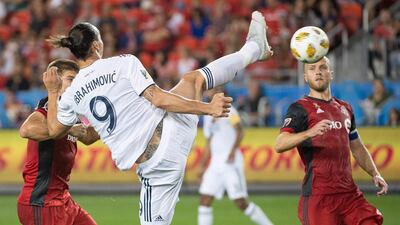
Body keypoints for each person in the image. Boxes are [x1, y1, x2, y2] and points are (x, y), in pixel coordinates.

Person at [42, 11, 273, 225]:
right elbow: (158, 99)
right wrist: (207, 108)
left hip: (157, 166)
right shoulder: (123, 62)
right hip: (170, 131)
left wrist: (53, 92)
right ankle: (252, 49)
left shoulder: (72, 94)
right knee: (194, 80)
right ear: (96, 45)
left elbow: (55, 130)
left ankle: (255, 48)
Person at [275, 57, 388, 225]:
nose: (318, 72)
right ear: (305, 77)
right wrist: (309, 132)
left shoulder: (345, 108)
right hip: (319, 197)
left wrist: (375, 173)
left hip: (349, 195)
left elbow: (357, 146)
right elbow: (279, 143)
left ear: (331, 73)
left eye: (322, 67)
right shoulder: (300, 108)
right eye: (312, 69)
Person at [18, 59, 100, 225]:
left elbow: (89, 136)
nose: (76, 85)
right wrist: (68, 129)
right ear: (55, 81)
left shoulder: (72, 112)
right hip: (41, 203)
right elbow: (25, 130)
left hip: (64, 201)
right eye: (71, 79)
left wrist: (111, 119)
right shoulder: (46, 110)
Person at [198, 87, 274, 225]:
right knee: (204, 199)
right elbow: (209, 142)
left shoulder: (230, 111)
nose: (209, 92)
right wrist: (203, 165)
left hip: (230, 163)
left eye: (212, 90)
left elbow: (240, 131)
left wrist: (232, 151)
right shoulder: (207, 116)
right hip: (215, 164)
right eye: (209, 91)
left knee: (241, 202)